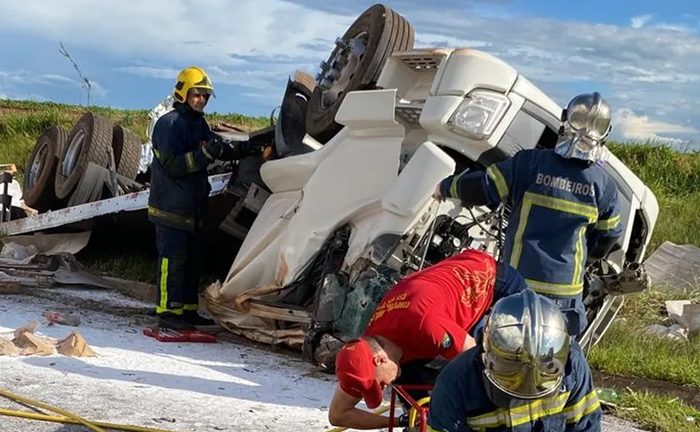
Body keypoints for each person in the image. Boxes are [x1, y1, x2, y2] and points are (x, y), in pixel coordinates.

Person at [435, 92, 623, 336]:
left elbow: (484, 187)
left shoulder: (529, 164)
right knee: (554, 358)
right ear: (605, 134)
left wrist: (446, 186)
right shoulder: (604, 186)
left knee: (501, 350)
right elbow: (608, 237)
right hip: (565, 296)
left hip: (518, 286)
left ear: (564, 119)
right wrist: (585, 259)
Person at [328, 248, 528, 430]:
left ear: (380, 359)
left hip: (493, 282)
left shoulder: (425, 324)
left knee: (504, 368)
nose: (383, 389)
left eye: (379, 384)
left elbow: (475, 358)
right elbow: (338, 414)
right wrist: (402, 421)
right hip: (440, 302)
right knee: (411, 392)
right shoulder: (365, 351)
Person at [149, 66, 265, 330]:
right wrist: (205, 155)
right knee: (172, 262)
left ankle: (188, 311)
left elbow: (218, 148)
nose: (201, 99)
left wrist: (248, 148)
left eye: (205, 95)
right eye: (196, 94)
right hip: (170, 208)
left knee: (192, 261)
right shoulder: (169, 125)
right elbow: (172, 166)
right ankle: (167, 313)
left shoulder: (197, 124)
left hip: (192, 207)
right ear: (183, 93)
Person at [427, 289, 601, 432]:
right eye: (509, 380)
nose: (524, 387)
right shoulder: (455, 384)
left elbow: (586, 428)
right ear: (486, 355)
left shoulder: (573, 369)